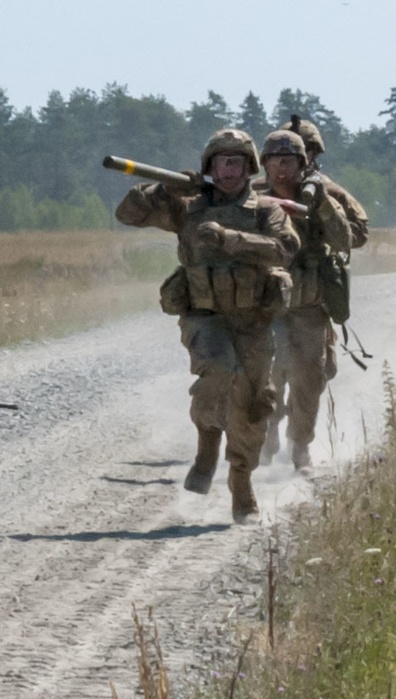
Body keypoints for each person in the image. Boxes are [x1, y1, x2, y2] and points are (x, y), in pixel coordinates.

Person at [115, 129, 299, 524]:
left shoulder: (266, 210)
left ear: (248, 167)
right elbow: (127, 215)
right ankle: (206, 446)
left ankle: (241, 481)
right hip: (204, 317)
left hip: (252, 321)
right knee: (217, 368)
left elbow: (284, 248)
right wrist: (162, 192)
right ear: (209, 167)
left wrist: (229, 239)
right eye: (221, 162)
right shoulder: (188, 207)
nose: (228, 169)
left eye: (236, 162)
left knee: (253, 405)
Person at [256, 129, 352, 473]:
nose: (282, 168)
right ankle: (267, 435)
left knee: (308, 382)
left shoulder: (318, 198)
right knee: (267, 379)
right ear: (264, 165)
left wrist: (323, 203)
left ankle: (300, 447)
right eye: (275, 161)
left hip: (309, 310)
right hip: (267, 309)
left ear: (302, 164)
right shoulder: (252, 200)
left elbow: (345, 241)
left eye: (290, 161)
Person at [280, 115, 370, 249]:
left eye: (302, 154)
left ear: (313, 156)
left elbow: (359, 234)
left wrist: (326, 216)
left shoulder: (329, 191)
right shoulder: (259, 189)